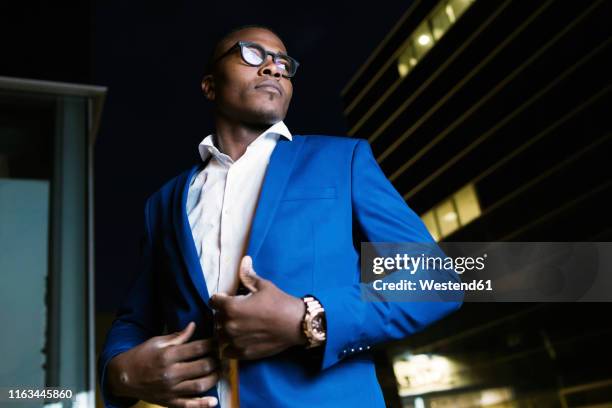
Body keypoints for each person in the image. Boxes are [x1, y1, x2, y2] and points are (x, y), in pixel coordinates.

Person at [98, 24, 462, 408]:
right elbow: (134, 320)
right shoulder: (162, 204)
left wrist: (308, 317)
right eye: (252, 54)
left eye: (283, 63)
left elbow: (434, 281)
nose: (273, 67)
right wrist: (120, 373)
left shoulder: (343, 161)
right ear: (209, 85)